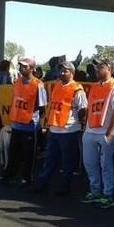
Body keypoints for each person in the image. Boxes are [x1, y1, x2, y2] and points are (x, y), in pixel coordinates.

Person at [31, 61, 87, 195]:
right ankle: (42, 184)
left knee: (67, 162)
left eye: (65, 70)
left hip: (68, 130)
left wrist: (76, 122)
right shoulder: (57, 85)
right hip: (55, 129)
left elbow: (83, 109)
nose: (62, 72)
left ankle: (64, 187)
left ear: (72, 73)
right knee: (49, 159)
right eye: (61, 70)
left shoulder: (77, 89)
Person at [79, 58, 114, 209]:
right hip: (91, 130)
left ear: (109, 69)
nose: (97, 69)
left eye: (100, 67)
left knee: (105, 165)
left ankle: (107, 194)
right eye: (96, 67)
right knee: (89, 163)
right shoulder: (94, 87)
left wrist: (110, 133)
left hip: (105, 132)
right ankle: (95, 191)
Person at [0, 57, 47, 185]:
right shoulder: (17, 82)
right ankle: (9, 175)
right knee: (13, 153)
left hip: (30, 125)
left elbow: (42, 107)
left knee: (28, 154)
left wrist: (32, 118)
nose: (22, 68)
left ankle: (27, 177)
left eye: (25, 66)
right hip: (17, 124)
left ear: (32, 68)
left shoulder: (38, 85)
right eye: (21, 66)